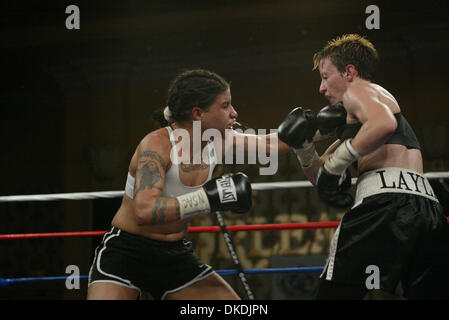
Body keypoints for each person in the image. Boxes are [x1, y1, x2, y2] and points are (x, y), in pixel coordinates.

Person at [87, 69, 291, 300]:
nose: (234, 113)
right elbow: (144, 211)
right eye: (225, 106)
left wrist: (327, 123)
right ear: (198, 113)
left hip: (174, 256)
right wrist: (208, 199)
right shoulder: (157, 145)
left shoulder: (220, 140)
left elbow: (273, 144)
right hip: (126, 254)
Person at [278, 34, 449, 299]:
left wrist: (341, 160)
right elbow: (321, 177)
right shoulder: (363, 119)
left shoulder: (360, 90)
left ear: (349, 72)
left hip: (384, 207)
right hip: (426, 209)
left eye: (325, 76)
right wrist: (304, 148)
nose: (321, 88)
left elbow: (384, 125)